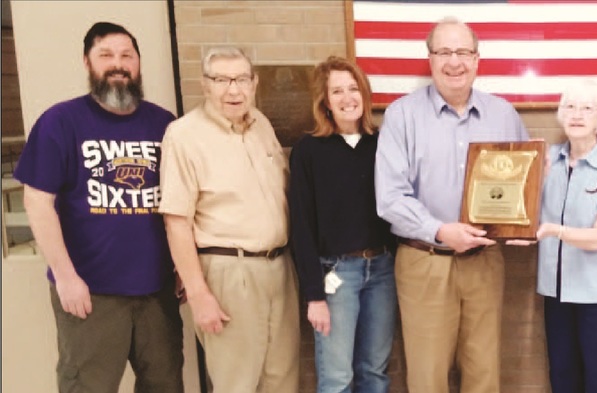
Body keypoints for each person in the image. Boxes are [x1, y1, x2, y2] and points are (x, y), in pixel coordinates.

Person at [14, 21, 183, 393]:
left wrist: (184, 267)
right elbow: (38, 202)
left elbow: (181, 206)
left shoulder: (166, 125)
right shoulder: (60, 121)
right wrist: (65, 276)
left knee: (165, 384)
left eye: (127, 56)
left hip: (157, 291)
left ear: (138, 63)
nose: (117, 64)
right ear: (88, 63)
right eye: (105, 55)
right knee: (88, 387)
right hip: (90, 292)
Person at [374, 16, 529, 393]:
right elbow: (390, 198)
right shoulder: (402, 115)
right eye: (444, 52)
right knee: (428, 376)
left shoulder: (503, 115)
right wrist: (441, 231)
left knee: (484, 371)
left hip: (485, 261)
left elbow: (527, 182)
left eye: (462, 52)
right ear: (430, 59)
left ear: (477, 59)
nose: (454, 62)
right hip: (425, 261)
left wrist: (525, 223)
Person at [159, 46, 300, 392]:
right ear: (205, 85)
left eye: (240, 79)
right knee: (237, 382)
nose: (233, 90)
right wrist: (198, 292)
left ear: (253, 83)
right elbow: (176, 222)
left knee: (283, 377)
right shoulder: (183, 135)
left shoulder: (260, 124)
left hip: (279, 268)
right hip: (229, 273)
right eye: (221, 79)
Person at [509, 80, 597, 393]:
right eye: (570, 107)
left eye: (587, 108)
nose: (577, 114)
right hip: (558, 294)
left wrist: (552, 231)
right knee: (563, 380)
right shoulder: (547, 159)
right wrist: (529, 172)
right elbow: (520, 209)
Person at [289, 56, 397, 393]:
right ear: (324, 101)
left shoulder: (383, 145)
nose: (347, 98)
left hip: (382, 271)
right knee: (337, 378)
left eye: (353, 89)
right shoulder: (309, 150)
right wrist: (314, 296)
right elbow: (301, 227)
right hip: (336, 275)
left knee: (374, 372)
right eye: (337, 91)